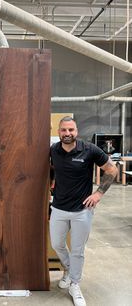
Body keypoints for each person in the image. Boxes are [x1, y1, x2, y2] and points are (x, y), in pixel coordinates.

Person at [49, 116, 117, 306]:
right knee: (57, 244)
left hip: (82, 210)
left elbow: (112, 170)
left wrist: (98, 194)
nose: (67, 133)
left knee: (78, 251)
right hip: (59, 208)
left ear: (76, 132)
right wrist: (51, 184)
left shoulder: (89, 150)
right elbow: (51, 169)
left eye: (71, 130)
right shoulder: (54, 150)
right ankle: (70, 271)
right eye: (64, 130)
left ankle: (75, 285)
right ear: (58, 132)